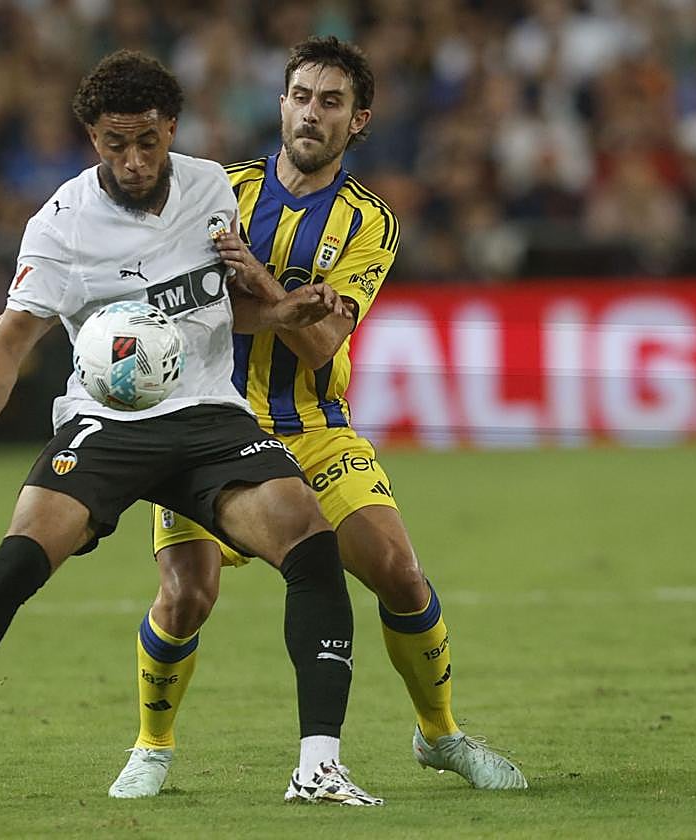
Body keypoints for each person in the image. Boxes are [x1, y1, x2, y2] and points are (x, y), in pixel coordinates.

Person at [0, 50, 383, 816]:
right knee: (17, 565)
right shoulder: (59, 224)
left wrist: (281, 313)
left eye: (147, 142)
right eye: (112, 144)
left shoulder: (209, 188)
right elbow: (14, 335)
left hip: (207, 415)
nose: (131, 161)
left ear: (172, 131)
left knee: (311, 543)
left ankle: (317, 766)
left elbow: (224, 307)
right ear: (91, 136)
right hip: (105, 422)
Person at [104, 36, 528, 800]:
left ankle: (440, 735)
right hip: (206, 425)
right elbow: (169, 298)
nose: (311, 113)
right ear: (281, 104)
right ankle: (152, 746)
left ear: (357, 119)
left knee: (400, 574)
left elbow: (325, 335)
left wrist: (262, 283)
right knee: (185, 594)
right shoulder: (215, 189)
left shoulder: (369, 222)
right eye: (301, 96)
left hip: (315, 430)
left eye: (331, 102)